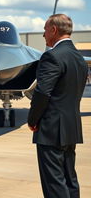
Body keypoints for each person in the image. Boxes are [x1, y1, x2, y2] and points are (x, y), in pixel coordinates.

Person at [27, 14, 88, 198]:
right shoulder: (79, 58)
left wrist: (32, 120)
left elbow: (43, 93)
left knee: (54, 184)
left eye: (45, 30)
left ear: (53, 30)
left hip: (51, 131)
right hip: (71, 128)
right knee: (70, 179)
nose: (44, 36)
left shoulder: (52, 56)